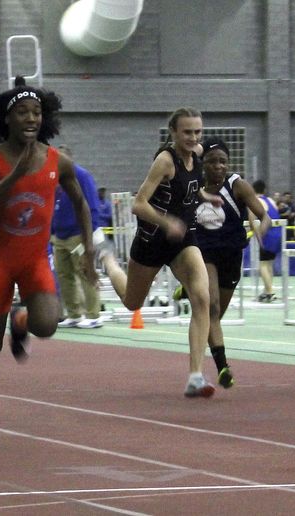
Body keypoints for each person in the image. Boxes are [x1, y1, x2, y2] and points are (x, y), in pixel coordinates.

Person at [0, 77, 97, 444]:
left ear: (45, 118)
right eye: (22, 112)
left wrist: (88, 250)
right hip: (1, 263)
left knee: (48, 325)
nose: (30, 118)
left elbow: (82, 203)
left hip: (36, 259)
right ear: (6, 119)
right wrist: (16, 176)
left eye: (37, 112)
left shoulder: (58, 161)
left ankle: (20, 319)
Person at [99, 107, 228, 398]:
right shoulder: (165, 161)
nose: (193, 137)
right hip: (152, 240)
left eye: (197, 132)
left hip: (183, 240)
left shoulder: (197, 157)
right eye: (187, 132)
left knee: (202, 296)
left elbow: (189, 190)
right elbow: (139, 204)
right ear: (173, 132)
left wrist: (205, 196)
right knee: (133, 303)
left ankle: (195, 376)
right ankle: (107, 260)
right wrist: (166, 221)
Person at [193, 137, 270, 384]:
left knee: (214, 315)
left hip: (231, 254)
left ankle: (191, 292)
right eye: (212, 161)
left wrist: (260, 228)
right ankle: (222, 367)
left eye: (223, 162)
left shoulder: (237, 185)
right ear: (202, 163)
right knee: (211, 306)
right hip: (203, 253)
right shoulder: (193, 186)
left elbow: (263, 215)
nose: (218, 166)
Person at [52, 144, 103, 329]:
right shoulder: (54, 178)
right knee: (64, 275)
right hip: (60, 235)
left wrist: (89, 237)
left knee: (85, 272)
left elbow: (92, 206)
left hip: (78, 235)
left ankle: (93, 314)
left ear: (69, 160)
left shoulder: (81, 176)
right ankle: (74, 313)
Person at [251, 179, 282, 302]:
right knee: (269, 263)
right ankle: (266, 290)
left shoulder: (257, 201)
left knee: (263, 264)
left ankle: (270, 292)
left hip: (267, 234)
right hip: (278, 234)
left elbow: (254, 218)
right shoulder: (270, 200)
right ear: (264, 190)